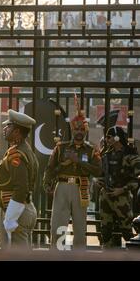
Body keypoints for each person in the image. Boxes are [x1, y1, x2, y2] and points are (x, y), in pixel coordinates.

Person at [43, 97, 102, 250]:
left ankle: (79, 256)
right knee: (58, 226)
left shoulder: (91, 150)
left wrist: (79, 161)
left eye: (82, 129)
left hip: (80, 188)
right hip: (62, 187)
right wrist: (47, 184)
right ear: (72, 129)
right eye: (76, 129)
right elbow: (49, 168)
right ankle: (57, 255)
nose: (79, 132)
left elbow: (98, 171)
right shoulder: (61, 148)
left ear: (86, 130)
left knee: (80, 228)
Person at [0, 109, 38, 249]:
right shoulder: (21, 149)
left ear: (17, 131)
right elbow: (14, 182)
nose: (4, 128)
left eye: (8, 126)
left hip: (16, 210)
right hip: (17, 208)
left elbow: (21, 188)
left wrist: (10, 217)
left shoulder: (18, 154)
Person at [96, 126, 140, 248]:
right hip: (106, 196)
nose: (106, 139)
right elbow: (101, 174)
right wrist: (99, 182)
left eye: (109, 137)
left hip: (122, 198)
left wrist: (122, 190)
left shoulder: (130, 155)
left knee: (127, 231)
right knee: (105, 231)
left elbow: (137, 179)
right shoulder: (106, 154)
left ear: (117, 137)